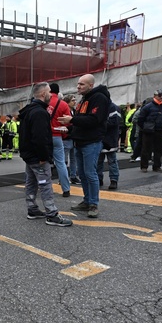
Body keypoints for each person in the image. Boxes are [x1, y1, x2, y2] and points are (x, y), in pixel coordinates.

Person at [19, 83, 72, 227]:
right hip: (37, 156)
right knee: (45, 184)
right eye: (49, 92)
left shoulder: (29, 110)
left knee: (31, 182)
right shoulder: (40, 113)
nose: (51, 95)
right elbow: (40, 138)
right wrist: (44, 157)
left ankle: (32, 209)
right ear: (43, 94)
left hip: (29, 155)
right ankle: (52, 214)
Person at [61, 74, 110, 218]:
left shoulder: (99, 98)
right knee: (82, 174)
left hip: (91, 142)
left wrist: (72, 120)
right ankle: (87, 201)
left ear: (90, 85)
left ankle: (93, 204)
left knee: (90, 173)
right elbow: (82, 121)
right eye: (78, 84)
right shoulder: (84, 99)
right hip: (80, 141)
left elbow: (94, 120)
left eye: (82, 84)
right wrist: (69, 128)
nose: (78, 87)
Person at [137, 89, 162, 173]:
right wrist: (145, 128)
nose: (161, 97)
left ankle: (157, 166)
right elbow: (140, 119)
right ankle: (144, 166)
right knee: (146, 149)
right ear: (155, 96)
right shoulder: (147, 107)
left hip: (160, 131)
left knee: (159, 150)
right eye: (159, 96)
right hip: (149, 131)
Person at [47, 83, 72, 197]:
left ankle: (42, 186)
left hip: (44, 137)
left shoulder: (44, 102)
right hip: (57, 136)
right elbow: (69, 121)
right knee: (61, 163)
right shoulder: (63, 104)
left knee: (42, 162)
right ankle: (66, 189)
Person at [97, 102, 121, 190]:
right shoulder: (100, 106)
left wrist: (99, 124)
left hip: (110, 138)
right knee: (99, 161)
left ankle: (114, 180)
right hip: (101, 138)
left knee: (112, 161)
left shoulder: (113, 107)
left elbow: (115, 121)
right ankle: (99, 179)